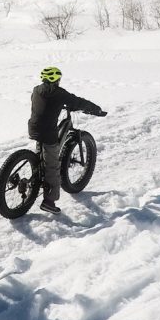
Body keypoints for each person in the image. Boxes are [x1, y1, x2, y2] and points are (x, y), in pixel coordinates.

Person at [28, 66, 106, 214]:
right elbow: (77, 101)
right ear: (56, 80)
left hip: (33, 128)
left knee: (43, 155)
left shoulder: (36, 89)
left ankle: (37, 175)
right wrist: (96, 109)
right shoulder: (58, 93)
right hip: (47, 132)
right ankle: (49, 201)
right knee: (53, 165)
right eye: (58, 79)